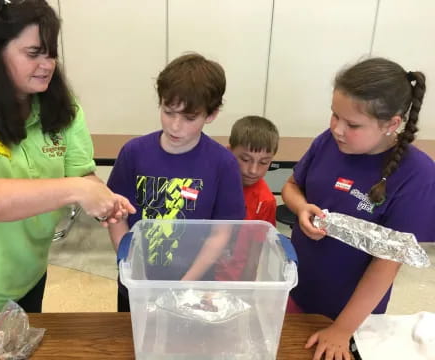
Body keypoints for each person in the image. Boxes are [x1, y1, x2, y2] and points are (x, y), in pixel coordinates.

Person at [0, 0, 135, 315]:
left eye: (51, 52)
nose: (47, 64)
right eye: (33, 53)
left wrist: (102, 198)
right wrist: (77, 190)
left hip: (30, 276)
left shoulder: (63, 108)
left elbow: (80, 174)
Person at [281, 57, 435, 360]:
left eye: (352, 124)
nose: (337, 129)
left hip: (352, 316)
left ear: (392, 124)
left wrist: (342, 329)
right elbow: (291, 186)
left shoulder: (417, 176)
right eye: (334, 115)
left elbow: (387, 264)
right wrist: (301, 208)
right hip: (297, 288)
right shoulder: (328, 142)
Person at [107, 53, 246, 312]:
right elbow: (117, 216)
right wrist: (130, 266)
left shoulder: (223, 163)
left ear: (212, 114)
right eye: (168, 112)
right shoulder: (134, 153)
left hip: (193, 286)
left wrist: (184, 285)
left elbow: (221, 233)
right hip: (136, 284)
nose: (175, 126)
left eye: (189, 118)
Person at [214, 115, 279, 281]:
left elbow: (255, 254)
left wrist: (247, 287)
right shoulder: (213, 183)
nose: (253, 170)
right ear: (229, 151)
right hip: (201, 274)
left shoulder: (266, 201)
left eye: (264, 162)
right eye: (245, 159)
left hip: (234, 281)